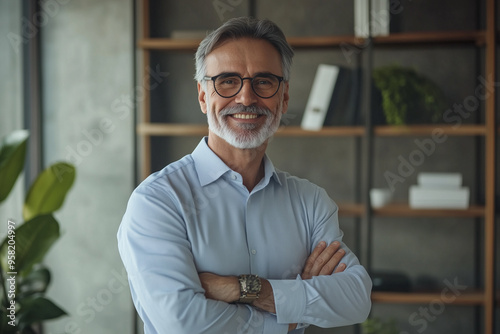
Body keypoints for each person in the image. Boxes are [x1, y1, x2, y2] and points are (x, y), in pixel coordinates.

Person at [117, 16, 372, 334]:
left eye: (264, 81)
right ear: (202, 96)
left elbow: (356, 299)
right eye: (227, 81)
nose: (246, 98)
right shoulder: (157, 201)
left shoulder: (310, 202)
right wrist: (291, 313)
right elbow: (182, 322)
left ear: (284, 97)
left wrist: (247, 289)